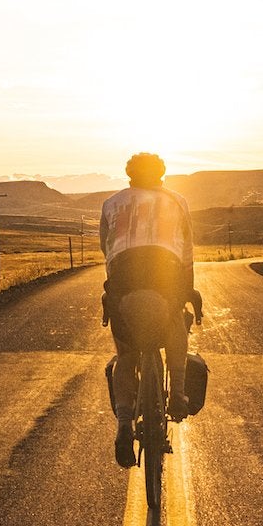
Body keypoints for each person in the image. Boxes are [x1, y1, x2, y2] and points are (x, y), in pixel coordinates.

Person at [100, 152, 198, 467]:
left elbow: (108, 253)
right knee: (175, 326)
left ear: (129, 175)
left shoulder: (111, 204)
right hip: (165, 272)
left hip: (124, 279)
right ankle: (179, 394)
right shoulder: (178, 201)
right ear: (161, 175)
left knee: (127, 356)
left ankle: (124, 425)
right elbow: (186, 254)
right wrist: (188, 292)